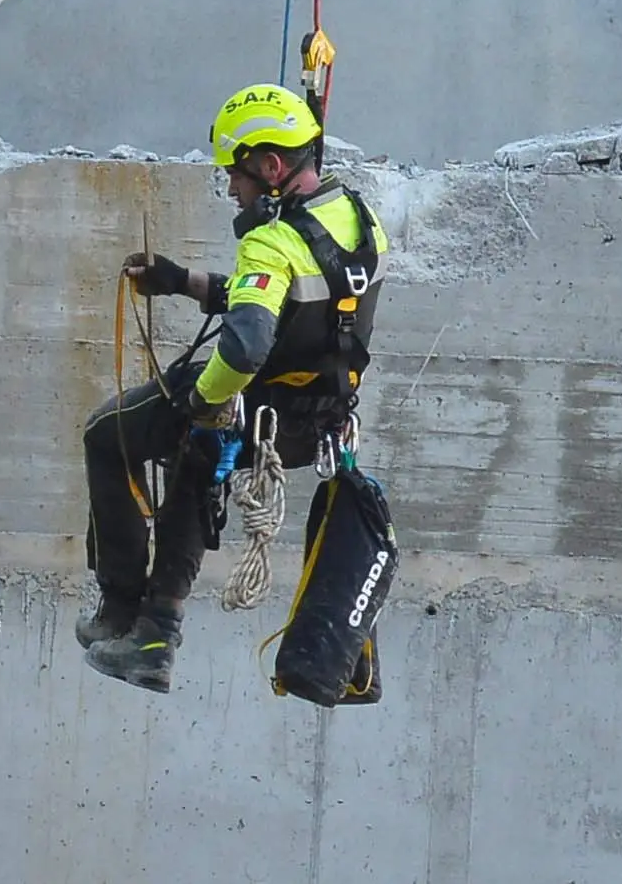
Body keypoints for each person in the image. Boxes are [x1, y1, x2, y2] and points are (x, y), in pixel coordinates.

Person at [79, 82, 390, 692]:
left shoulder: (270, 241)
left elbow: (248, 343)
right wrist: (181, 280)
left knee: (106, 434)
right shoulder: (358, 219)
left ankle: (123, 609)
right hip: (314, 424)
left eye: (238, 175)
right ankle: (152, 635)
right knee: (197, 461)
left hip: (258, 411)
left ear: (272, 167)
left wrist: (205, 401)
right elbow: (293, 307)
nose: (232, 188)